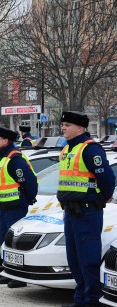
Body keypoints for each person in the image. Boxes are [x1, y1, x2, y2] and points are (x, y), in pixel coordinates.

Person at [58, 111, 115, 307]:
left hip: (87, 212)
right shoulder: (67, 149)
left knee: (88, 259)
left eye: (67, 125)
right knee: (74, 260)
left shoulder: (90, 149)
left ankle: (91, 301)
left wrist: (98, 199)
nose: (63, 128)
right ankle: (80, 298)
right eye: (63, 124)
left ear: (80, 128)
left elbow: (107, 180)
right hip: (71, 212)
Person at [0, 126, 38, 288]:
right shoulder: (1, 158)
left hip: (16, 206)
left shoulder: (15, 159)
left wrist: (28, 198)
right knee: (5, 241)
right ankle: (8, 271)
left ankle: (19, 276)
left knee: (15, 243)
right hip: (4, 207)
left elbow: (30, 182)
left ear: (6, 141)